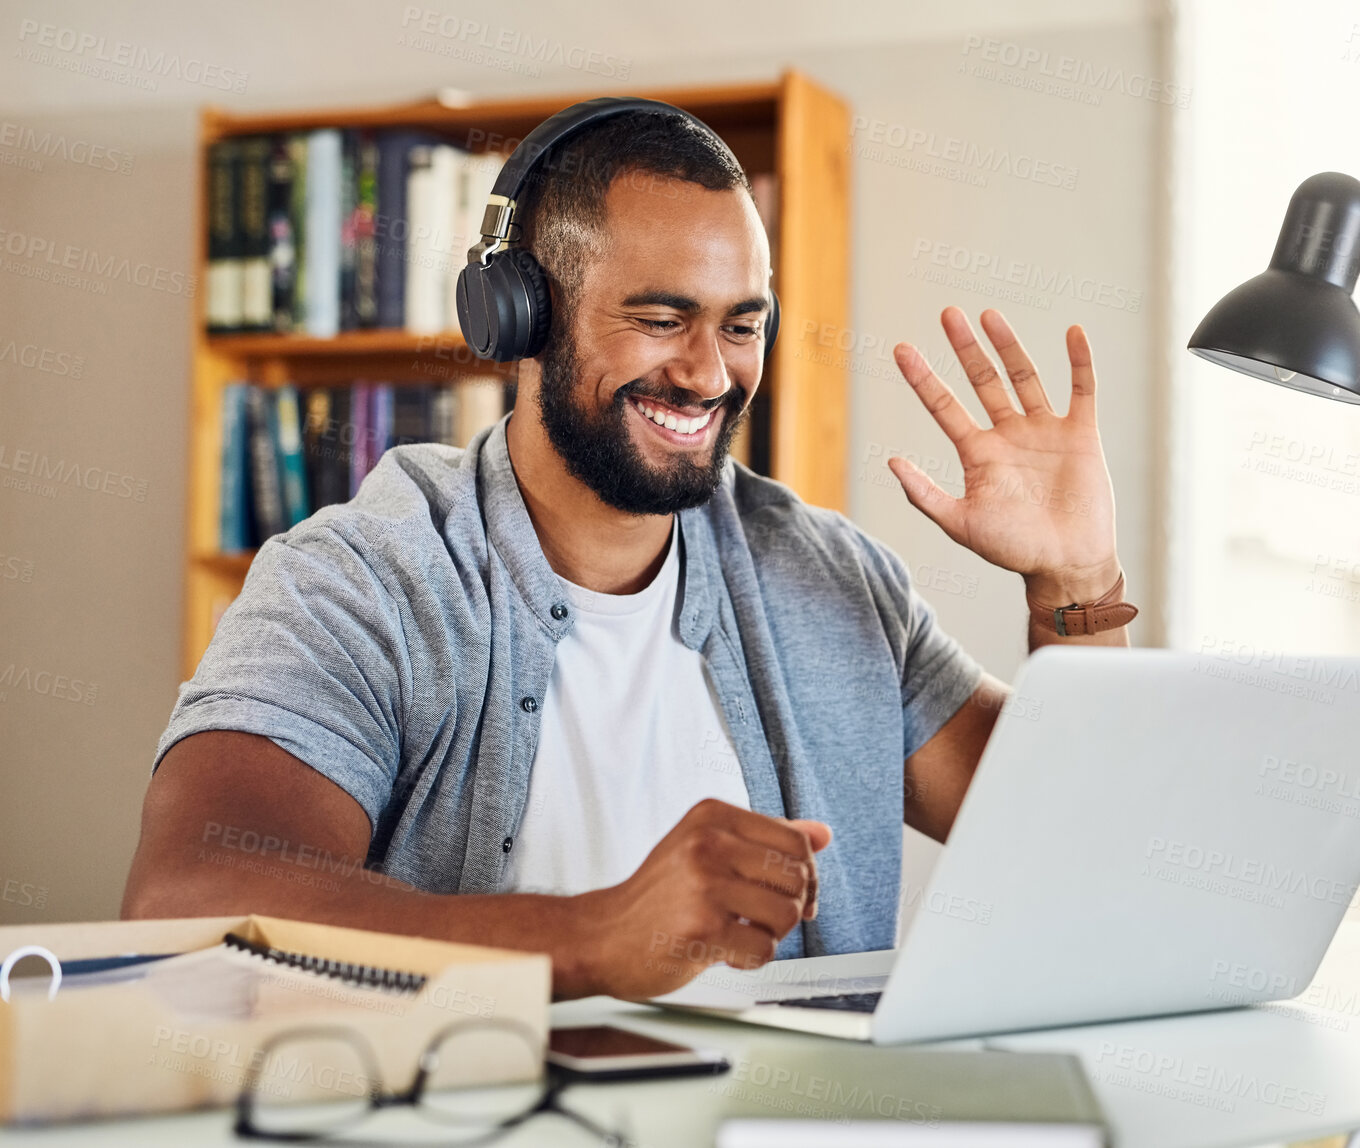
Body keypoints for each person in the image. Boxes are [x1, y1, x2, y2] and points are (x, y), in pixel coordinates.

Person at [122, 107, 1131, 1000]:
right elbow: (188, 897)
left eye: (742, 325)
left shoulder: (833, 576)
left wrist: (1076, 582)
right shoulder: (365, 577)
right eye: (659, 319)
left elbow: (1077, 844)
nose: (707, 372)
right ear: (517, 316)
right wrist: (592, 934)